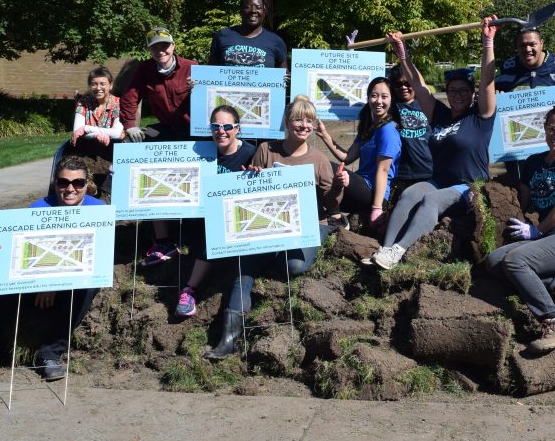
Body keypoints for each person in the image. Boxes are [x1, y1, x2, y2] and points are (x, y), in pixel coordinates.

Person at [204, 96, 343, 358]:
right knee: (243, 267)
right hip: (269, 224)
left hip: (311, 223)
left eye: (309, 120)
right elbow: (251, 192)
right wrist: (252, 176)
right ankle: (228, 340)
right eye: (298, 119)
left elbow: (330, 203)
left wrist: (338, 185)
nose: (303, 125)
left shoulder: (319, 159)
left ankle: (274, 258)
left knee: (296, 266)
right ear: (288, 122)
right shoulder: (267, 149)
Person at [0, 156, 104, 382]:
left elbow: (95, 256)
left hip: (73, 276)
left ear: (87, 184)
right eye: (63, 182)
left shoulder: (99, 210)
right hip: (39, 274)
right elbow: (26, 249)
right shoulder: (38, 208)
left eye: (77, 183)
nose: (69, 189)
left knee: (88, 286)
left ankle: (50, 353)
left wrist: (53, 285)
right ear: (55, 183)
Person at [369, 18, 497, 269]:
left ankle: (398, 251)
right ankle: (383, 249)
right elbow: (419, 85)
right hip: (439, 180)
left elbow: (487, 81)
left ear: (472, 94)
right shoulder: (440, 114)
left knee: (432, 201)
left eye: (463, 91)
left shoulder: (480, 116)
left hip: (469, 187)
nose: (457, 95)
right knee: (408, 195)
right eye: (452, 91)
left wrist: (488, 42)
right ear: (446, 93)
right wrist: (402, 53)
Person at [485, 105, 555, 353]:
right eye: (552, 129)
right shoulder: (534, 162)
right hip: (550, 238)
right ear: (544, 129)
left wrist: (537, 231)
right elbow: (523, 202)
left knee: (515, 261)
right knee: (494, 261)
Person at [119, 27, 197, 264]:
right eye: (155, 46)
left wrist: (199, 88)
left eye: (165, 45)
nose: (160, 50)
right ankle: (162, 239)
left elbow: (214, 97)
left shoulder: (192, 67)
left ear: (173, 46)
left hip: (194, 133)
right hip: (168, 129)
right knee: (151, 171)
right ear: (150, 50)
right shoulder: (145, 70)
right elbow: (130, 97)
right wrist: (130, 124)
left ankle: (194, 231)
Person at [172, 105, 257, 314]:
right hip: (198, 216)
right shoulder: (200, 151)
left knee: (214, 228)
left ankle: (190, 290)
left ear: (237, 128)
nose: (221, 131)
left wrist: (256, 174)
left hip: (231, 221)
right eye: (215, 126)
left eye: (227, 126)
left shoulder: (250, 154)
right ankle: (162, 247)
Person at [496, 26, 555, 182]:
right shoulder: (506, 69)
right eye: (522, 45)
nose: (527, 49)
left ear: (542, 43)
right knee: (520, 187)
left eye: (532, 44)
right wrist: (496, 98)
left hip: (554, 145)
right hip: (518, 151)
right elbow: (492, 104)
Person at [315, 77, 401, 229]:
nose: (378, 101)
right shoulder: (369, 128)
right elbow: (347, 158)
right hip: (360, 189)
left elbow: (383, 170)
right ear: (368, 98)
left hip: (374, 194)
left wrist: (376, 208)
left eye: (384, 96)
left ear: (391, 99)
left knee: (322, 164)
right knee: (317, 184)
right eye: (374, 96)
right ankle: (334, 218)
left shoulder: (388, 130)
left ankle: (336, 217)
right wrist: (325, 136)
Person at [208, 0, 287, 69]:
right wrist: (196, 82)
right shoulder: (222, 36)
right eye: (248, 7)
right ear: (240, 10)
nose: (253, 10)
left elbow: (284, 77)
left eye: (258, 7)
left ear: (264, 11)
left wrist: (288, 80)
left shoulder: (275, 41)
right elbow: (209, 73)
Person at [388, 64, 433, 196]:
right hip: (403, 174)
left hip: (429, 171)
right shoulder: (391, 108)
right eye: (398, 84)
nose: (403, 87)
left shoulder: (427, 105)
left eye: (408, 83)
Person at [69, 66, 123, 158]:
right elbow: (77, 132)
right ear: (90, 86)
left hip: (113, 152)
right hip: (86, 151)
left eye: (102, 84)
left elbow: (116, 133)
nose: (98, 88)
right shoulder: (83, 102)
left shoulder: (118, 103)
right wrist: (96, 135)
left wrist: (86, 129)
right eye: (94, 84)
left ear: (111, 85)